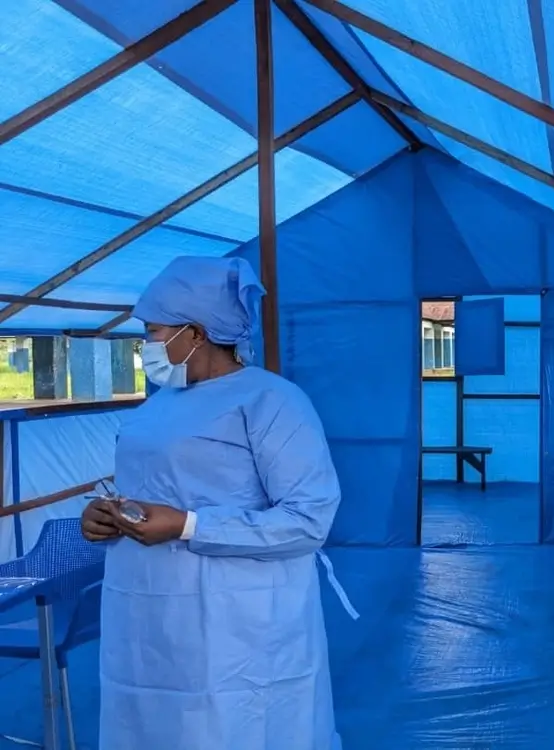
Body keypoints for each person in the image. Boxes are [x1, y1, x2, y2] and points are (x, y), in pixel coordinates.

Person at [79, 256, 352, 750]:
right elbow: (152, 487)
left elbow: (308, 520)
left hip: (238, 624)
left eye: (154, 330)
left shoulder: (272, 401)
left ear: (196, 333)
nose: (147, 344)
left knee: (232, 724)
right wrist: (105, 516)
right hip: (146, 617)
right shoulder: (160, 402)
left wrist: (189, 525)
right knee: (151, 722)